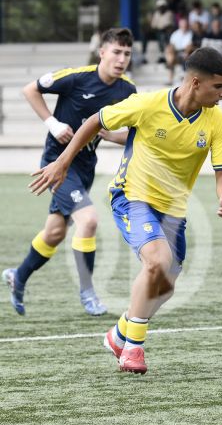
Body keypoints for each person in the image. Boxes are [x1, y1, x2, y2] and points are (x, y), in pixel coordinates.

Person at [29, 48, 222, 375]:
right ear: (196, 83)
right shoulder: (148, 104)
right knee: (156, 261)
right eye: (218, 87)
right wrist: (62, 161)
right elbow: (95, 121)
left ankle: (120, 333)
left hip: (174, 210)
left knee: (165, 285)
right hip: (132, 196)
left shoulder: (216, 121)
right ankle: (133, 349)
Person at [2, 28, 137, 317]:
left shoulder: (127, 90)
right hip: (58, 163)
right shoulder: (77, 77)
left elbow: (130, 134)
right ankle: (88, 292)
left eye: (127, 53)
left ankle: (18, 276)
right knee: (88, 220)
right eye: (116, 51)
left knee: (54, 232)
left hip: (86, 166)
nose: (121, 58)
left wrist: (110, 135)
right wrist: (53, 124)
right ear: (102, 52)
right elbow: (30, 89)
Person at [165, 18, 195, 85]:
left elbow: (190, 45)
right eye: (183, 25)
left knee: (188, 50)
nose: (184, 26)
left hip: (188, 52)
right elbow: (171, 45)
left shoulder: (191, 33)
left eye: (185, 25)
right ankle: (170, 79)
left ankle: (170, 64)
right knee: (169, 52)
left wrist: (186, 52)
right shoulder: (175, 34)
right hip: (176, 52)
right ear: (180, 25)